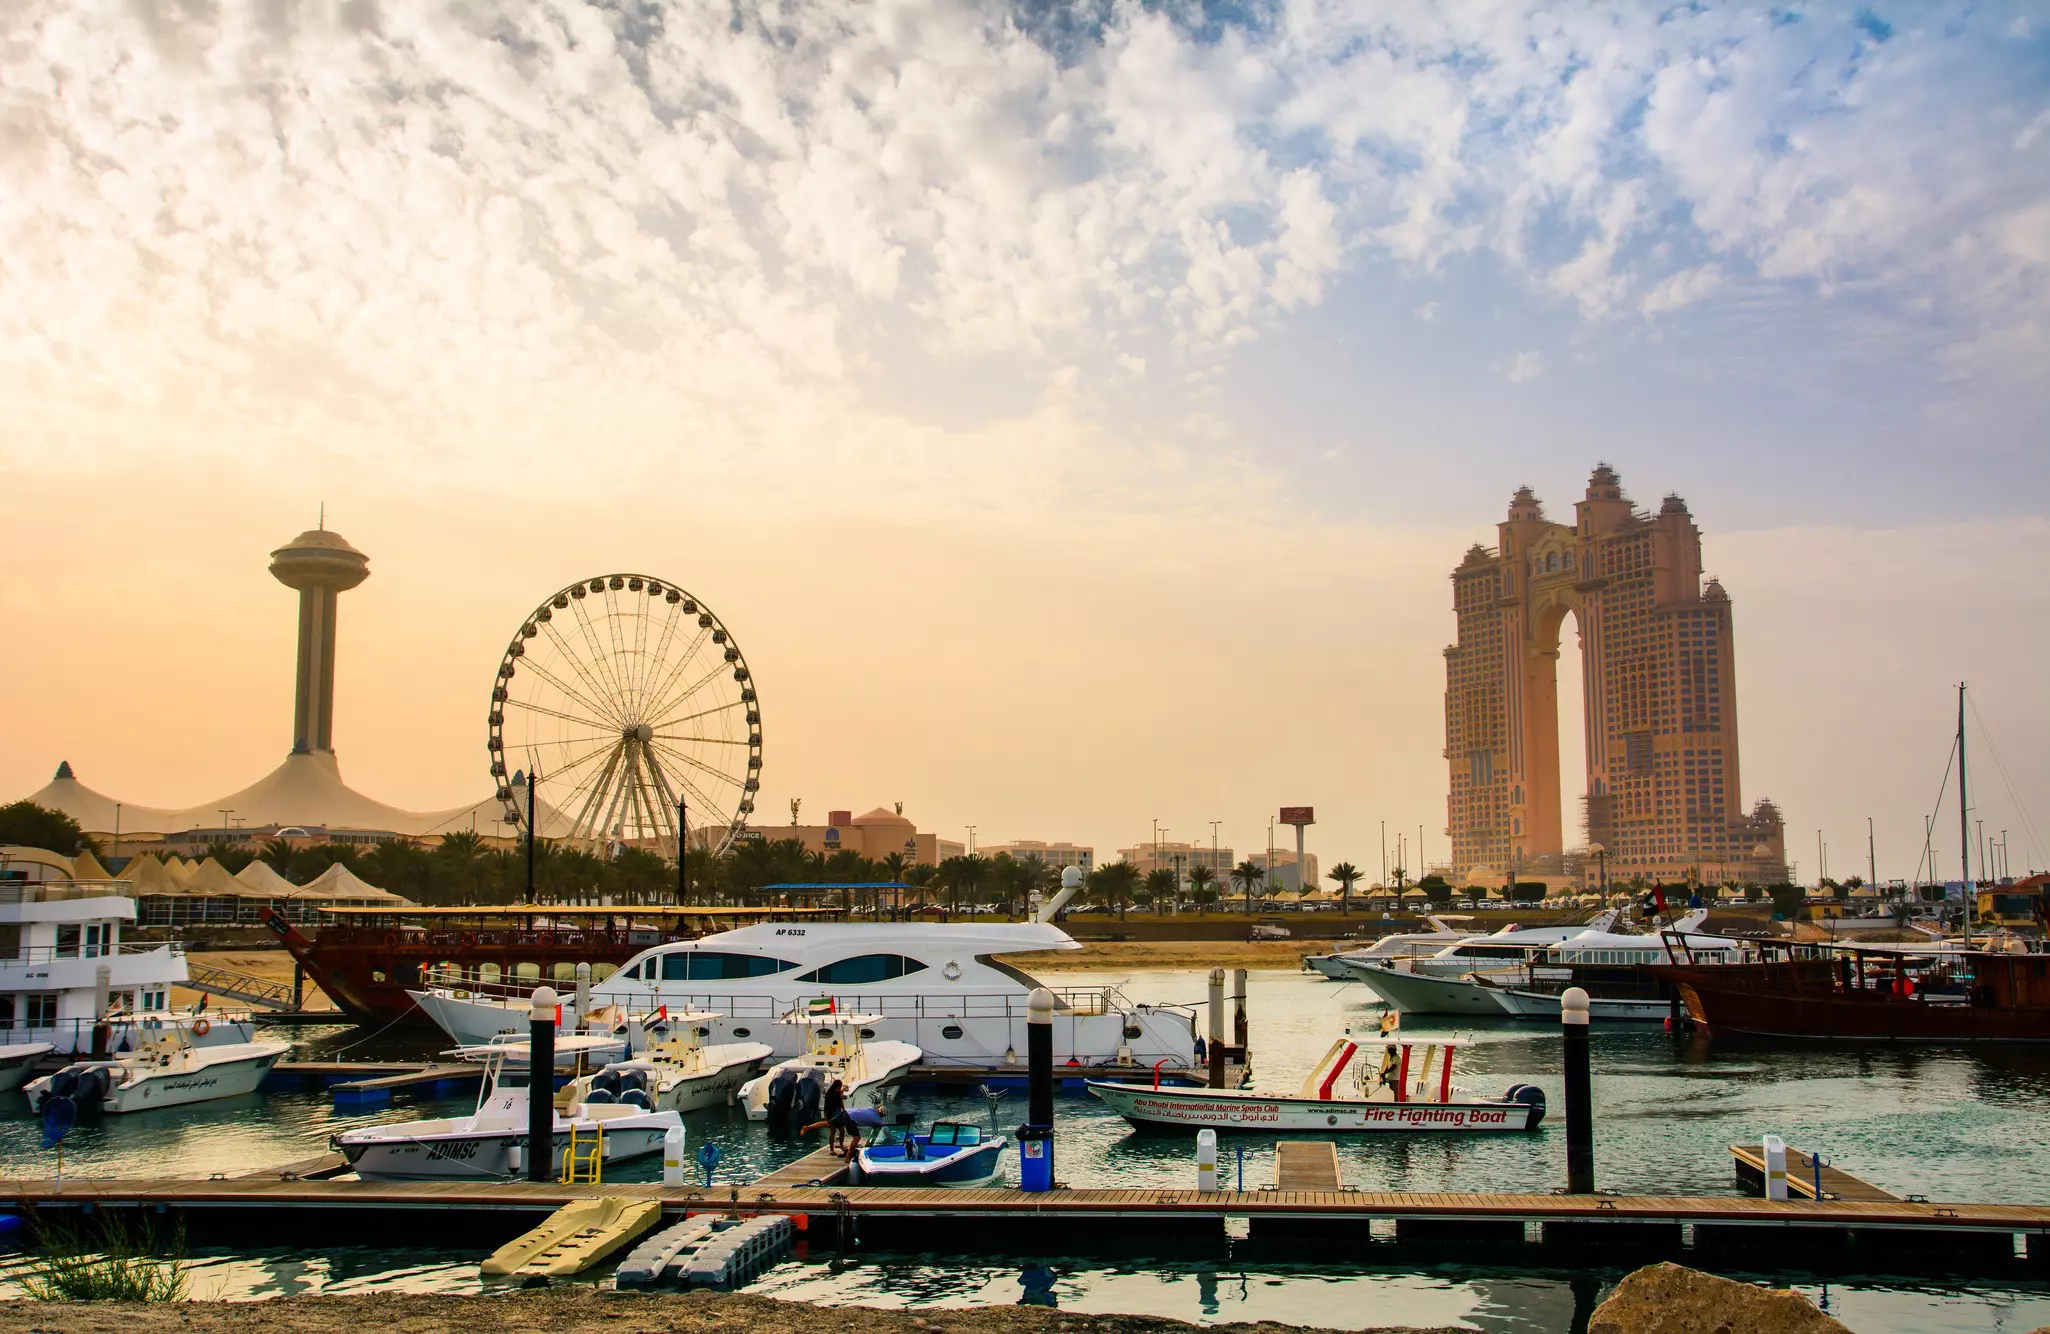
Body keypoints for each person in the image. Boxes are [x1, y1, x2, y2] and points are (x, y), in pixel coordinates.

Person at [821, 1078, 846, 1151]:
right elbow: (828, 1106)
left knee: (842, 1130)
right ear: (835, 1086)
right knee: (833, 1131)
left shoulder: (839, 1093)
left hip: (838, 1112)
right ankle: (831, 1149)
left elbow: (841, 1102)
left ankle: (841, 1145)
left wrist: (844, 1109)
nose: (840, 1088)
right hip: (830, 1114)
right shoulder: (829, 1093)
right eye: (839, 1087)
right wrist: (828, 1116)